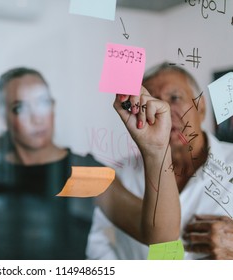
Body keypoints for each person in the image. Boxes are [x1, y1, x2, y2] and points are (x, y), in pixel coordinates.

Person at [0, 67, 180, 259]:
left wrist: (157, 150)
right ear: (2, 118)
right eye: (19, 107)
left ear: (53, 107)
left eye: (43, 102)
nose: (37, 118)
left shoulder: (84, 172)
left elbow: (161, 239)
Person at [87, 62, 233, 260]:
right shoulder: (119, 176)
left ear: (201, 107)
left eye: (174, 98)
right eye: (151, 101)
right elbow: (97, 244)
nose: (162, 109)